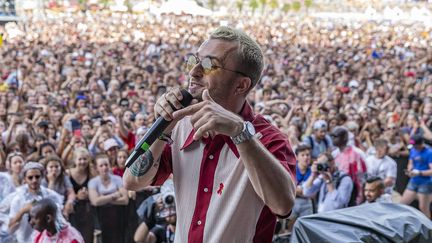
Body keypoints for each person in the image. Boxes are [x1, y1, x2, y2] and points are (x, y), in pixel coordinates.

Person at [124, 26, 296, 242]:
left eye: (209, 65)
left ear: (241, 85)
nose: (194, 71)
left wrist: (240, 133)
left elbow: (283, 205)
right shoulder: (181, 126)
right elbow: (132, 181)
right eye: (194, 61)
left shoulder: (269, 139)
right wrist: (165, 126)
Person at [8, 162, 63, 243]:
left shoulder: (51, 195)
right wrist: (22, 211)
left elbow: (60, 220)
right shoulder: (18, 199)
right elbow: (10, 227)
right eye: (30, 177)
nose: (34, 180)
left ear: (42, 177)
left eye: (37, 177)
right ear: (25, 179)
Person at [89, 153, 129, 243]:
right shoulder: (93, 182)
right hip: (100, 219)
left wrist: (103, 198)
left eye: (106, 164)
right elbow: (95, 202)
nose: (104, 167)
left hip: (118, 217)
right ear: (96, 168)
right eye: (101, 165)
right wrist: (114, 195)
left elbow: (125, 200)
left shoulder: (118, 179)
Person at [332, 126, 367, 205]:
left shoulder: (356, 154)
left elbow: (361, 176)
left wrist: (360, 194)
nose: (333, 139)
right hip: (337, 188)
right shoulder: (334, 154)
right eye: (332, 136)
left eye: (336, 136)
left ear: (344, 138)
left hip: (352, 190)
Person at [400, 134, 432, 218]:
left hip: (425, 183)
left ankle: (429, 228)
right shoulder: (413, 150)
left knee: (423, 208)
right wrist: (409, 169)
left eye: (415, 145)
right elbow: (411, 162)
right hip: (413, 181)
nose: (414, 147)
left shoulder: (429, 152)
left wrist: (419, 172)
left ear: (421, 144)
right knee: (402, 204)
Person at [68, 148, 94, 243]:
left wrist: (89, 194)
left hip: (87, 212)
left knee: (87, 237)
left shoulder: (91, 174)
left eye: (85, 159)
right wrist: (76, 196)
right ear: (75, 160)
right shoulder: (68, 173)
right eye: (80, 159)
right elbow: (64, 192)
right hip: (72, 212)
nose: (82, 162)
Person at [288, 144, 313, 230]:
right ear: (297, 157)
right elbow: (289, 189)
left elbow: (313, 194)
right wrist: (302, 191)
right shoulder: (291, 169)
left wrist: (297, 190)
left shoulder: (313, 171)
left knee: (305, 229)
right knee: (289, 229)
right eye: (302, 155)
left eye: (308, 155)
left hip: (307, 203)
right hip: (292, 202)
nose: (306, 157)